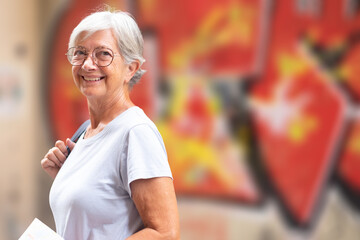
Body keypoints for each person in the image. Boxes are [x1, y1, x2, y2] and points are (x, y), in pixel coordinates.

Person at [40, 9, 180, 240]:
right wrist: (68, 177)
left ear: (131, 68)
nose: (87, 64)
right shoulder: (85, 133)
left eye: (103, 54)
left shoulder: (135, 133)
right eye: (80, 53)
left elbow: (165, 233)